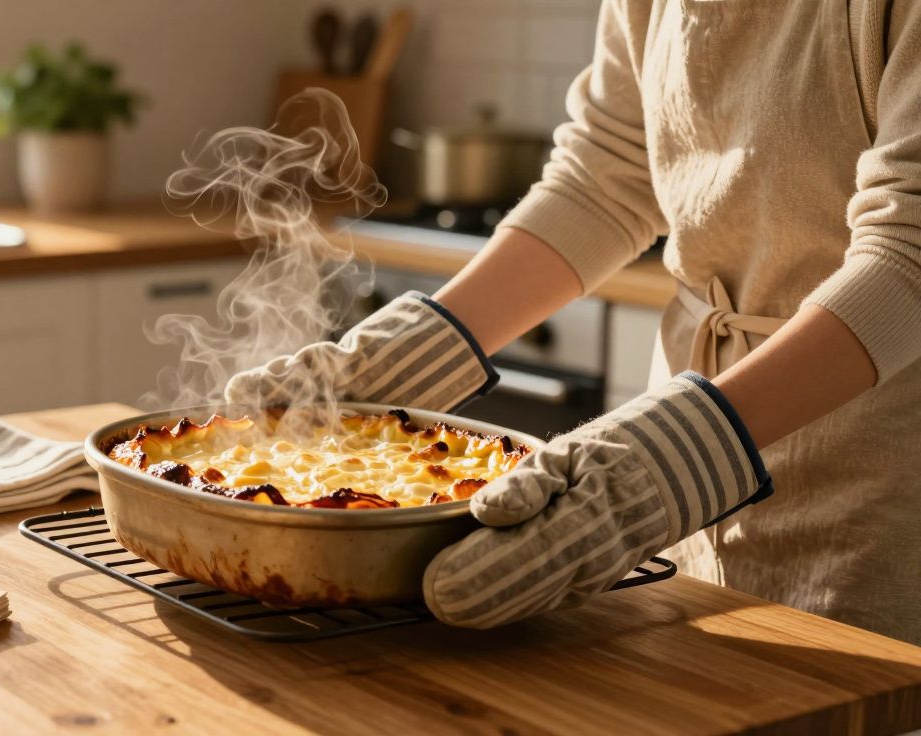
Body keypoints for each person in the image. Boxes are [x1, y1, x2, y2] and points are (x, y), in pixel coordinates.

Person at [226, 0, 921, 644]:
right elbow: (606, 175)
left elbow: (908, 253)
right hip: (692, 431)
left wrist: (669, 456)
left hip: (869, 470)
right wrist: (418, 346)